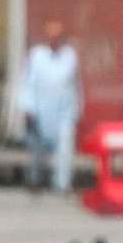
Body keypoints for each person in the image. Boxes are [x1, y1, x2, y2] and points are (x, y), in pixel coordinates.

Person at [20, 18, 82, 194]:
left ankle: (62, 183)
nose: (55, 40)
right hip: (41, 109)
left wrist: (76, 109)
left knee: (65, 146)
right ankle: (35, 179)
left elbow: (75, 84)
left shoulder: (70, 56)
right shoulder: (37, 56)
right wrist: (28, 107)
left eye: (58, 37)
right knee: (37, 148)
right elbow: (28, 83)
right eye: (51, 37)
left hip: (64, 111)